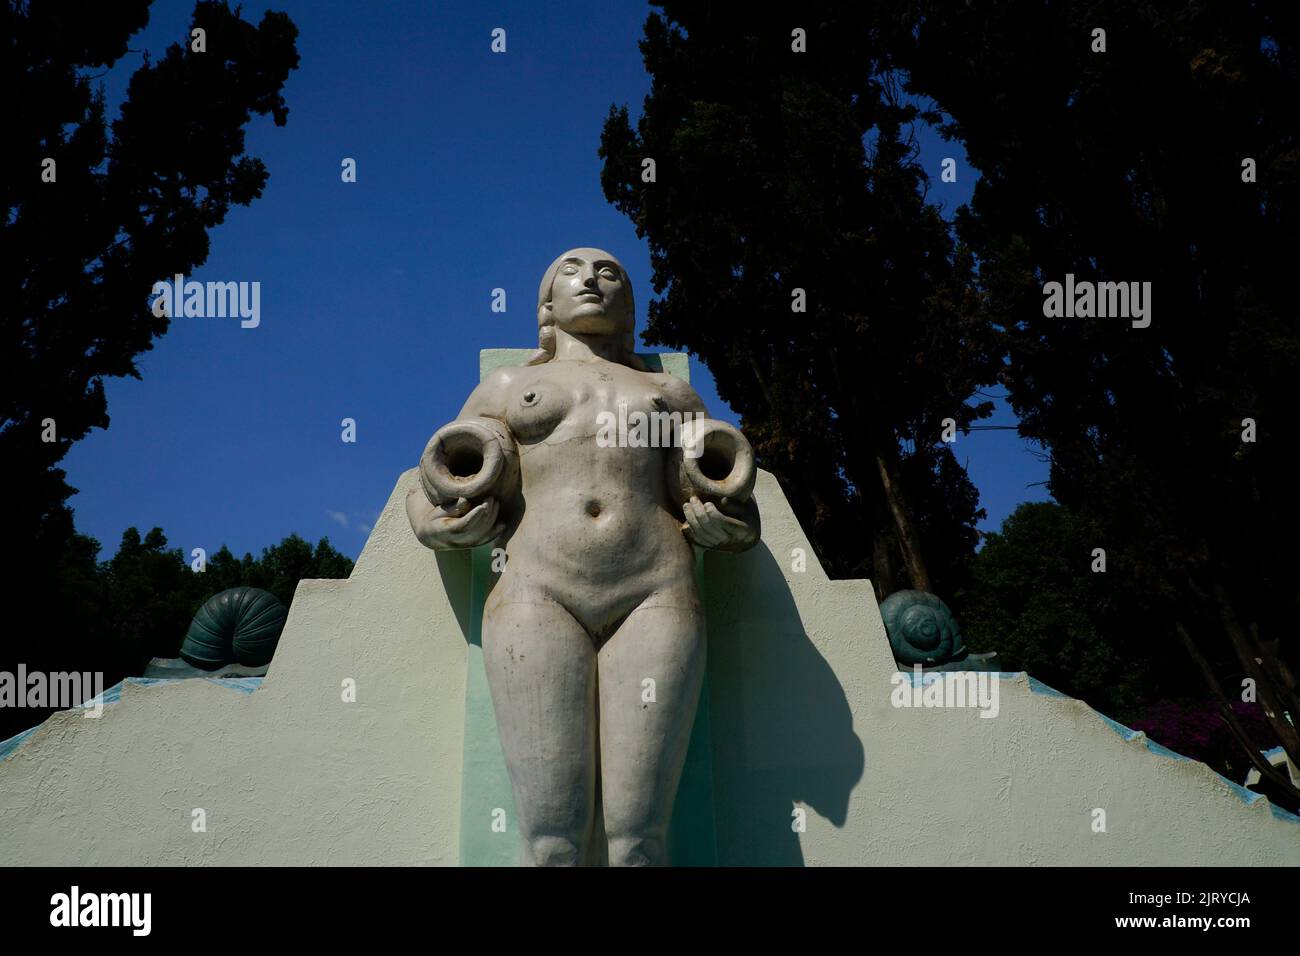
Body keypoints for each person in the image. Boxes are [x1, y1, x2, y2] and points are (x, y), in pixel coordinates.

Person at [407, 248, 759, 865]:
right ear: (547, 304)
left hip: (656, 593)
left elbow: (729, 497)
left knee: (639, 843)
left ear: (628, 305)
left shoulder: (667, 392)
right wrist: (439, 528)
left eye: (609, 272)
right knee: (551, 842)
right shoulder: (510, 387)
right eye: (571, 270)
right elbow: (428, 485)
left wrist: (724, 529)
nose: (591, 278)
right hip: (536, 593)